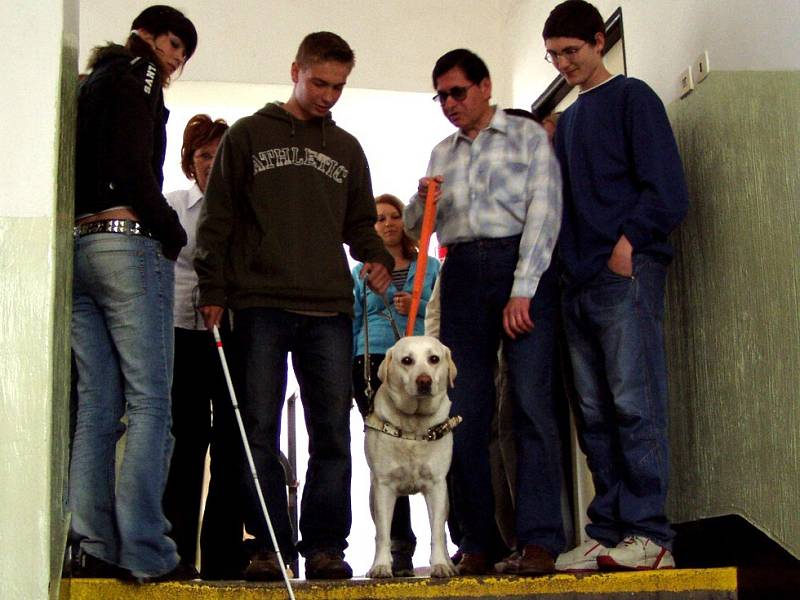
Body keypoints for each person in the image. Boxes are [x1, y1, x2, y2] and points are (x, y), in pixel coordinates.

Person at [194, 31, 393, 581]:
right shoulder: (248, 135)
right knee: (255, 428)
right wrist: (212, 287)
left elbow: (358, 225)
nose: (329, 95)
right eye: (319, 82)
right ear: (295, 71)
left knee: (331, 429)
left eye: (339, 86)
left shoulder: (347, 147)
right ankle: (267, 545)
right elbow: (218, 217)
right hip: (258, 303)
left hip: (329, 307)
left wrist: (376, 258)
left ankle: (326, 545)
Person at [405, 48, 564, 576]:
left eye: (458, 91)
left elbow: (545, 212)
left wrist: (524, 289)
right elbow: (416, 227)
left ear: (485, 86)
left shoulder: (525, 138)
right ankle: (476, 540)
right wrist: (419, 199)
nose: (449, 103)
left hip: (520, 268)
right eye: (441, 95)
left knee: (530, 406)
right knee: (460, 414)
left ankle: (539, 541)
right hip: (463, 273)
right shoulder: (440, 152)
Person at [543, 0, 688, 572]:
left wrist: (629, 245)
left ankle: (651, 536)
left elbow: (667, 188)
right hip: (576, 281)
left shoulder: (634, 97)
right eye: (553, 56)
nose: (562, 64)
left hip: (624, 272)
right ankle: (608, 530)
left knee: (635, 403)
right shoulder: (571, 118)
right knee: (595, 414)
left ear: (599, 42)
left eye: (570, 52)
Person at [69, 5, 197, 582]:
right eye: (173, 44)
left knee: (98, 403)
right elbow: (130, 159)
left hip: (80, 248)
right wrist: (169, 230)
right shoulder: (139, 73)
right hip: (127, 244)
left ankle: (95, 544)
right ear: (146, 37)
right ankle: (147, 551)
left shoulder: (90, 81)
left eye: (182, 55)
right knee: (151, 403)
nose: (174, 60)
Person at [161, 114, 250, 580]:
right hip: (180, 331)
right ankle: (175, 553)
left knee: (232, 442)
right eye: (203, 156)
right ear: (189, 161)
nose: (211, 165)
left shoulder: (245, 207)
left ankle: (223, 555)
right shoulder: (174, 205)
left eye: (220, 155)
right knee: (186, 440)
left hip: (232, 332)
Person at [351, 193, 441, 576]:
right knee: (387, 456)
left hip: (422, 370)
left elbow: (439, 310)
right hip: (372, 362)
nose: (386, 223)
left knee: (431, 449)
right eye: (377, 219)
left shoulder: (429, 266)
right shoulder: (362, 272)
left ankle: (444, 543)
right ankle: (398, 547)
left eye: (393, 216)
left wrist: (414, 308)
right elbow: (354, 318)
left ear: (404, 222)